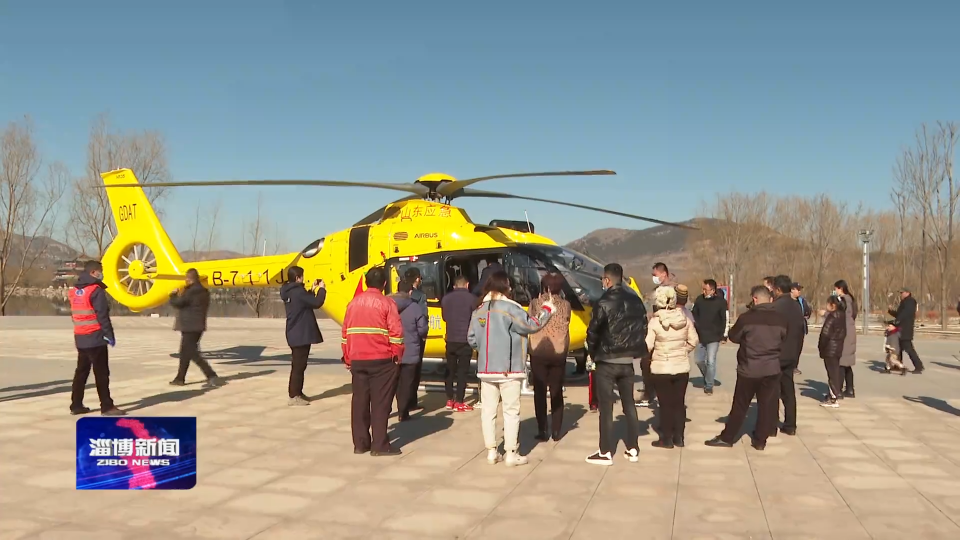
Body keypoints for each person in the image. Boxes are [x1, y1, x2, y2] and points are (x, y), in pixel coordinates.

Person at [468, 271, 555, 467]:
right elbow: (531, 325)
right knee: (511, 411)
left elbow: (471, 339)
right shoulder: (510, 309)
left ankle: (491, 451)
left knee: (488, 411)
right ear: (505, 286)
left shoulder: (479, 310)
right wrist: (547, 310)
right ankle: (511, 452)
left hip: (486, 368)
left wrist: (485, 350)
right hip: (509, 368)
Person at [706, 286, 786, 451]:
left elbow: (734, 337)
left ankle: (728, 437)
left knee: (740, 405)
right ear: (770, 299)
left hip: (749, 368)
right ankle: (760, 441)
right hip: (771, 368)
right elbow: (785, 337)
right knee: (766, 406)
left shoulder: (747, 318)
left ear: (755, 299)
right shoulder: (781, 319)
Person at [585, 263, 648, 466]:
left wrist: (592, 353)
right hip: (628, 361)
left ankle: (605, 451)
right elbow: (643, 328)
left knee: (606, 407)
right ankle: (633, 448)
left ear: (607, 280)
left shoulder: (603, 301)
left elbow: (593, 331)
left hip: (607, 360)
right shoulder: (636, 301)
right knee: (629, 404)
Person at [341, 267, 405, 456]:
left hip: (358, 360)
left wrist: (347, 357)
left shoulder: (352, 303)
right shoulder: (387, 303)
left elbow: (345, 334)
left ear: (366, 282)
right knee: (380, 403)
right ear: (384, 284)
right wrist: (397, 355)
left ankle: (360, 444)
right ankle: (380, 445)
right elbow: (396, 333)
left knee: (360, 402)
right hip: (382, 360)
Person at [69, 260, 125, 416]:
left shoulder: (75, 290)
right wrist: (109, 335)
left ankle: (76, 404)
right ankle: (106, 406)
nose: (102, 274)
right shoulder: (96, 290)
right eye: (100, 271)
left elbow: (74, 313)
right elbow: (102, 315)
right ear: (93, 272)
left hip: (80, 336)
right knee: (101, 373)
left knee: (81, 372)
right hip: (95, 337)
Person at [645, 286, 698, 449]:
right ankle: (679, 437)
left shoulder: (654, 322)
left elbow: (647, 345)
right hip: (681, 367)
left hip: (661, 368)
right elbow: (694, 340)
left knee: (665, 404)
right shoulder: (685, 319)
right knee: (679, 403)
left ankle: (666, 439)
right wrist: (683, 351)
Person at [528, 272, 572, 442]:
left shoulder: (535, 303)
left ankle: (542, 430)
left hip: (538, 351)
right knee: (556, 391)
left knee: (539, 392)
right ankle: (556, 431)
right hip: (558, 353)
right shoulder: (566, 305)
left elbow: (530, 322)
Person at [280, 266, 326, 406]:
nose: (303, 278)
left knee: (299, 365)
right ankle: (294, 396)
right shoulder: (298, 292)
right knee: (299, 366)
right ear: (297, 277)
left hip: (294, 333)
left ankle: (297, 392)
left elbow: (305, 302)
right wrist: (322, 289)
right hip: (300, 334)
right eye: (302, 276)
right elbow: (317, 303)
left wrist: (312, 290)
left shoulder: (290, 291)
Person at [169, 268, 221, 389]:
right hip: (198, 326)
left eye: (186, 278)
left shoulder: (190, 292)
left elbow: (178, 303)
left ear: (189, 279)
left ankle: (211, 375)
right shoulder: (204, 291)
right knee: (184, 353)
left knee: (192, 353)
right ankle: (180, 378)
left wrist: (173, 294)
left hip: (189, 326)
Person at [390, 278, 429, 421]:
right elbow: (423, 329)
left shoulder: (387, 305)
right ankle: (403, 411)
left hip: (392, 350)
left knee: (395, 382)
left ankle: (390, 408)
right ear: (410, 291)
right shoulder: (415, 307)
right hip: (410, 351)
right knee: (407, 383)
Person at [771, 275, 805, 436]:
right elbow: (800, 334)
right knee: (788, 391)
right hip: (791, 355)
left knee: (771, 391)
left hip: (776, 355)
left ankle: (770, 426)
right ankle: (790, 425)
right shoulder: (796, 306)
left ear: (777, 289)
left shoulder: (776, 307)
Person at [440, 275, 478, 412]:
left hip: (450, 338)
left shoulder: (446, 298)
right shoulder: (473, 299)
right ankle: (460, 401)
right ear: (467, 285)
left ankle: (449, 399)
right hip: (465, 340)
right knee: (462, 372)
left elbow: (444, 317)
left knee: (450, 370)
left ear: (454, 285)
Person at [638, 262, 671, 407]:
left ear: (663, 274)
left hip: (668, 335)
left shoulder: (674, 290)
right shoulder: (652, 292)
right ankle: (649, 392)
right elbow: (646, 310)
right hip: (653, 332)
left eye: (655, 275)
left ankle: (662, 395)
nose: (653, 277)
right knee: (645, 362)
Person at [692, 279, 726, 396]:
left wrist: (722, 335)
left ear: (712, 290)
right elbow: (694, 315)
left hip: (714, 336)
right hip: (700, 336)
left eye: (705, 289)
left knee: (711, 361)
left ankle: (709, 385)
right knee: (698, 360)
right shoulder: (699, 300)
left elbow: (723, 320)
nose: (704, 291)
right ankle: (708, 376)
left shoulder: (720, 302)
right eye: (703, 289)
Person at [402, 267, 428, 412]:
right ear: (418, 279)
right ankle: (411, 402)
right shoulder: (420, 296)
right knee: (414, 371)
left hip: (399, 336)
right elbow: (423, 317)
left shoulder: (397, 294)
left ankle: (403, 404)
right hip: (415, 337)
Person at [818, 295, 847, 408]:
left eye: (828, 303)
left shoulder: (832, 316)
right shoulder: (842, 315)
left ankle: (834, 397)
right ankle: (834, 393)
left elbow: (825, 334)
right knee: (835, 371)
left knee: (832, 373)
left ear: (833, 305)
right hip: (838, 347)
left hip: (830, 348)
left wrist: (821, 347)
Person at [888, 287, 924, 375]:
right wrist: (891, 311)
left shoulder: (910, 302)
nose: (901, 294)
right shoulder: (904, 302)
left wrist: (895, 323)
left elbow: (904, 315)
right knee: (898, 348)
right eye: (900, 293)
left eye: (902, 292)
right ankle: (898, 365)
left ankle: (919, 366)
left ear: (908, 293)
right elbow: (899, 314)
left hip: (905, 329)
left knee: (908, 348)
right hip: (901, 328)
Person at [834, 280, 859, 394]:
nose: (835, 291)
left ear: (840, 288)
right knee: (847, 363)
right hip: (850, 332)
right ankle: (849, 389)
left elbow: (840, 315)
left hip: (845, 334)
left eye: (836, 289)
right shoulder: (851, 300)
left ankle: (837, 390)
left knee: (841, 363)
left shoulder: (844, 301)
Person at [790, 283, 812, 376]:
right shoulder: (788, 301)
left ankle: (794, 366)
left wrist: (807, 314)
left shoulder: (801, 301)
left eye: (800, 289)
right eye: (797, 289)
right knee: (790, 348)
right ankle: (788, 366)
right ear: (792, 290)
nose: (799, 291)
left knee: (798, 348)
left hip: (800, 328)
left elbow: (807, 310)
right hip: (790, 329)